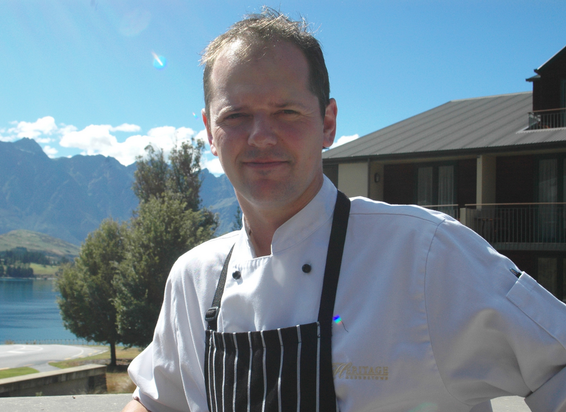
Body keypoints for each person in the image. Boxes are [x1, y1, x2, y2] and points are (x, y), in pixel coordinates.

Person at [123, 9, 566, 412]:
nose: (261, 136)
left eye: (287, 111)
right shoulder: (193, 277)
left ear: (328, 124)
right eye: (236, 115)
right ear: (209, 131)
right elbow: (155, 403)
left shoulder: (425, 255)